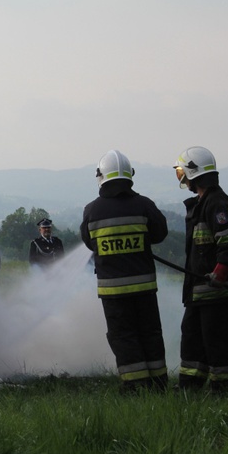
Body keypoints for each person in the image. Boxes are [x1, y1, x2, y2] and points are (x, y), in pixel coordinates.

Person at [80, 150, 169, 393]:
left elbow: (89, 243)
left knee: (124, 336)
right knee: (150, 333)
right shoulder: (144, 205)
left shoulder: (92, 210)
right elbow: (160, 233)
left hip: (113, 291)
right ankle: (159, 383)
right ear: (129, 175)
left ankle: (135, 385)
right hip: (145, 289)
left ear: (101, 177)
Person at [174, 146, 228, 394]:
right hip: (202, 292)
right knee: (192, 338)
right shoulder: (202, 203)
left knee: (218, 343)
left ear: (193, 173)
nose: (181, 178)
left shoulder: (216, 202)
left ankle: (222, 391)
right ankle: (190, 388)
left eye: (181, 172)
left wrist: (219, 273)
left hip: (220, 292)